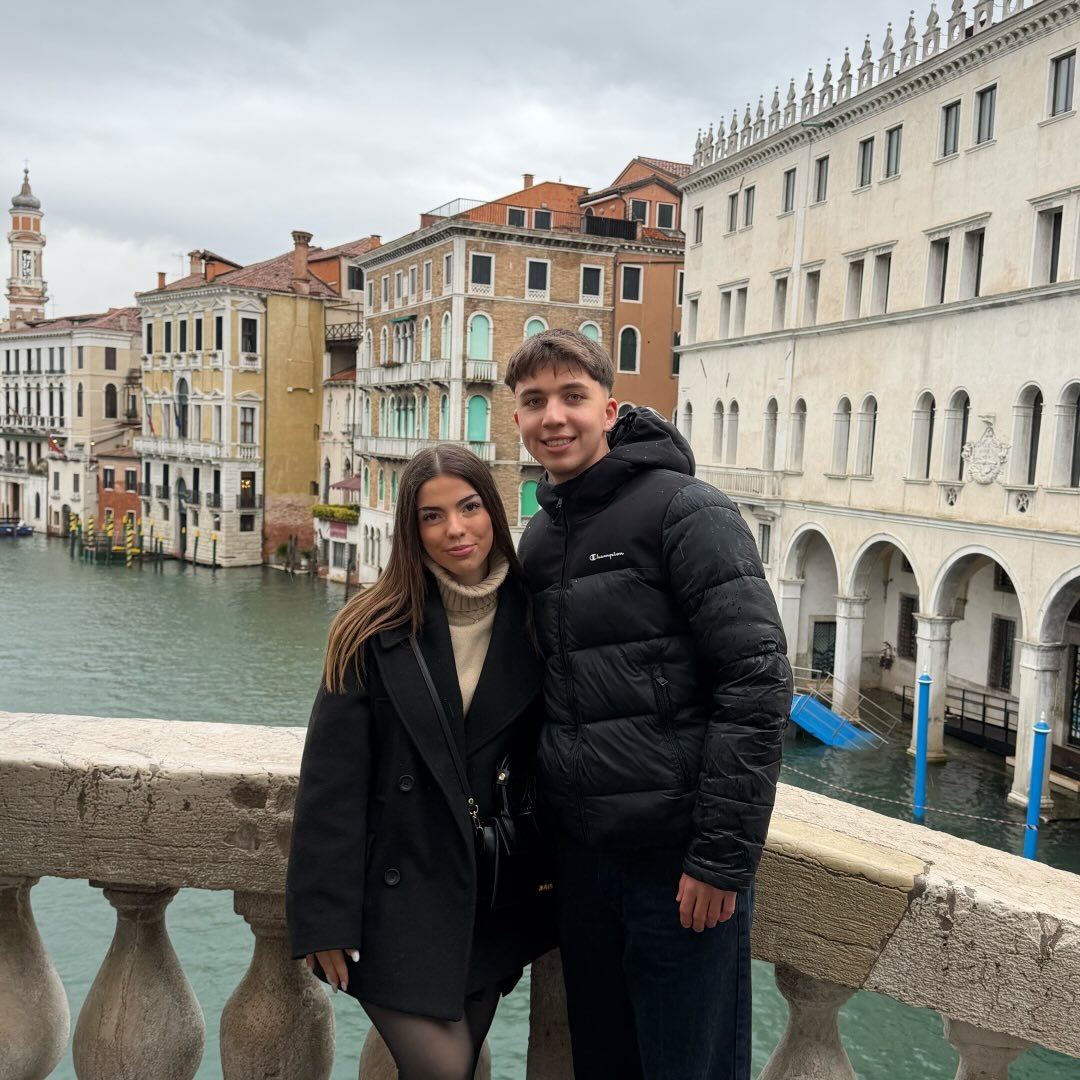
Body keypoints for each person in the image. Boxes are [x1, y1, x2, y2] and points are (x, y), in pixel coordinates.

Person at [506, 328, 792, 1080]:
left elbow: (757, 682)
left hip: (677, 864)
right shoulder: (541, 536)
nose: (553, 417)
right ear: (518, 419)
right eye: (535, 401)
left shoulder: (687, 510)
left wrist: (721, 860)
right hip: (582, 862)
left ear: (610, 410)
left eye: (572, 396)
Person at [286, 445, 556, 1080]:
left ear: (494, 513)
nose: (455, 529)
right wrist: (323, 919)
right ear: (411, 529)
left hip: (486, 900)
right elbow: (330, 785)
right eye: (432, 516)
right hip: (392, 906)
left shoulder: (537, 622)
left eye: (469, 507)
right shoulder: (367, 628)